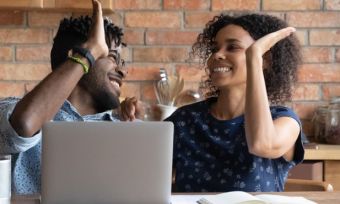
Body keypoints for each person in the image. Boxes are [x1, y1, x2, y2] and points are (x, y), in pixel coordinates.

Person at [0, 0, 141, 195]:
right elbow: (24, 124)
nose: (123, 71)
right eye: (111, 57)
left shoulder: (126, 125)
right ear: (76, 55)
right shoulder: (14, 109)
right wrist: (90, 51)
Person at [165, 13, 304, 192]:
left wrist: (254, 56)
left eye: (232, 47)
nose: (217, 55)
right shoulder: (184, 119)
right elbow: (144, 172)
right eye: (215, 48)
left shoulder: (285, 121)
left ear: (265, 60)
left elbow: (262, 144)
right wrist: (126, 122)